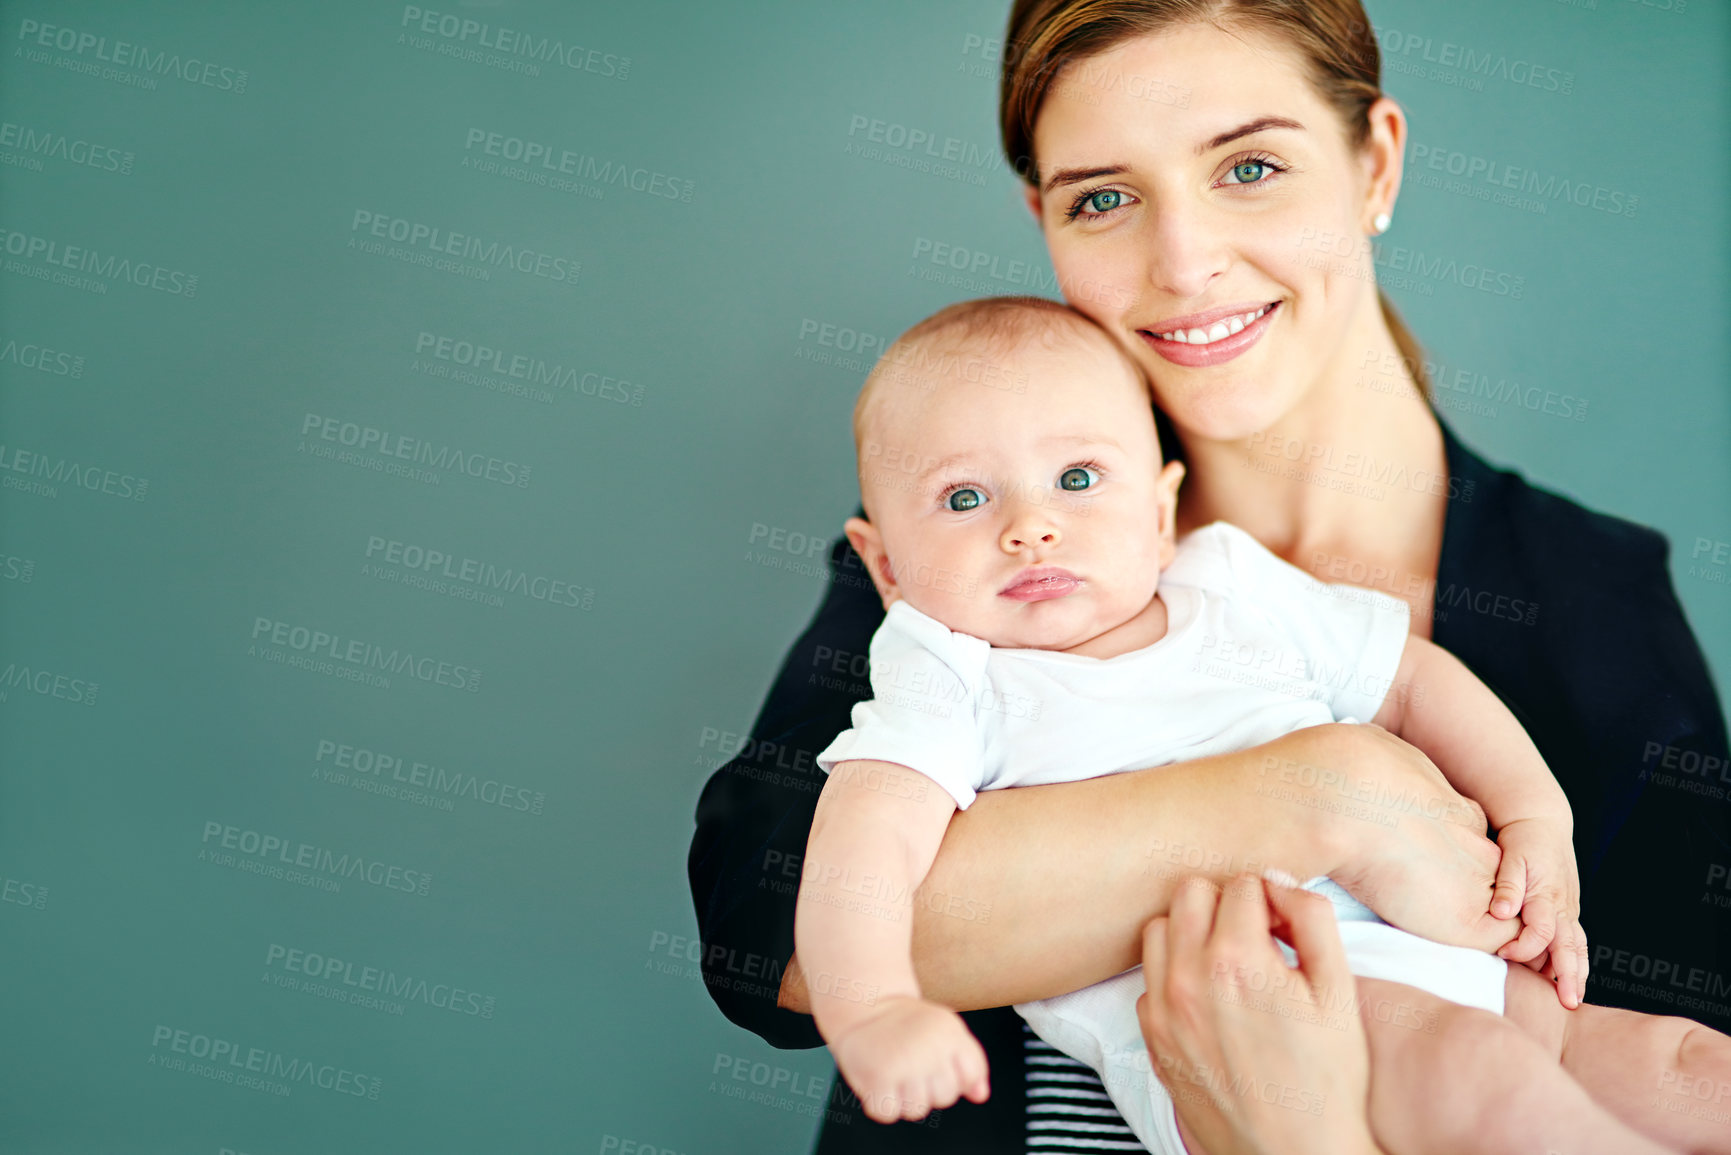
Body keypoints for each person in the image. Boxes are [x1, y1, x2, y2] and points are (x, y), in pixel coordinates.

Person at [688, 0, 1730, 1149]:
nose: (1183, 263)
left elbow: (1671, 1038)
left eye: (1250, 166)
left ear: (1374, 162)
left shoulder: (1595, 599)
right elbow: (766, 925)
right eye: (1104, 198)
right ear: (1044, 222)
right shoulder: (969, 566)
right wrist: (1313, 798)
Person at [793, 295, 1728, 1155]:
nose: (1031, 526)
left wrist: (1532, 813)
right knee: (1496, 1092)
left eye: (1077, 477)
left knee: (1689, 1065)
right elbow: (859, 849)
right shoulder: (950, 680)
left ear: (1159, 513)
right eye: (965, 498)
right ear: (882, 565)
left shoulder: (1227, 584)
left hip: (1471, 976)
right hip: (1261, 1036)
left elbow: (1407, 677)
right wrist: (871, 1009)